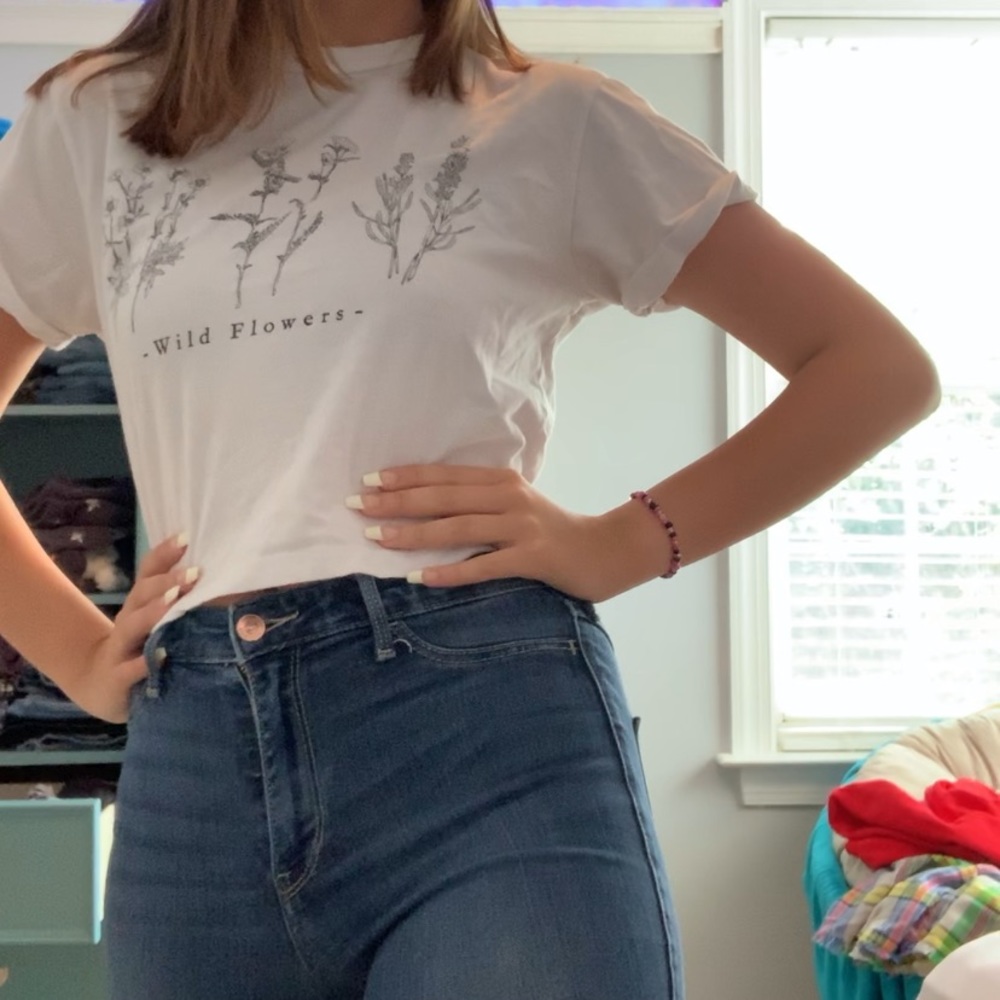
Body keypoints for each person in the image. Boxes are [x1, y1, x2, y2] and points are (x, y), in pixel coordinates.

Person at [0, 0, 940, 997]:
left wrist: (626, 540)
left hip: (484, 727)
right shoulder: (96, 121)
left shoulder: (555, 119)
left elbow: (876, 368)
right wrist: (77, 657)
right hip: (196, 764)